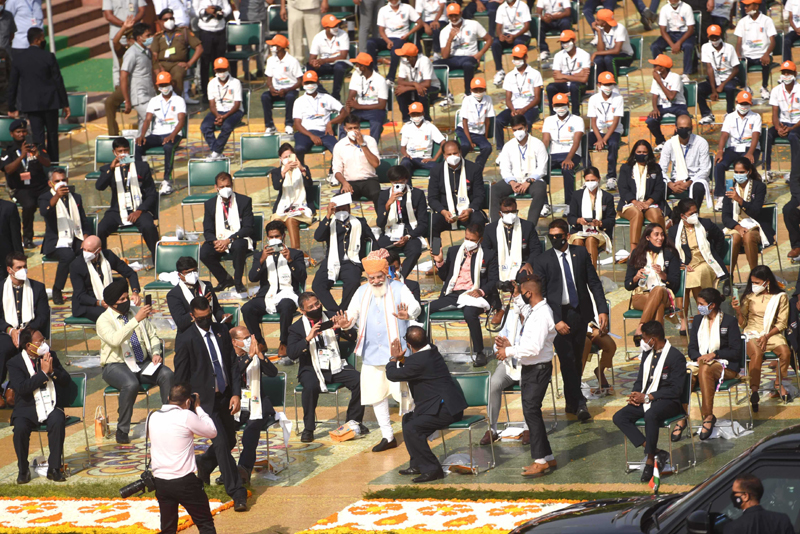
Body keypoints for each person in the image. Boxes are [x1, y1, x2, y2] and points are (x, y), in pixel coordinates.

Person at [336, 249, 421, 451]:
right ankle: (388, 436)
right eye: (371, 278)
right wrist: (345, 323)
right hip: (371, 353)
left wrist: (407, 313)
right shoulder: (361, 291)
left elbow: (416, 308)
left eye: (379, 277)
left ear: (386, 274)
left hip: (397, 352)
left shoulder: (399, 288)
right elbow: (351, 315)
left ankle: (417, 431)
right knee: (376, 395)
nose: (375, 281)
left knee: (407, 395)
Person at [173, 296, 248, 511]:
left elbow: (232, 364)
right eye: (201, 319)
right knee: (222, 444)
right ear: (192, 317)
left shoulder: (222, 331)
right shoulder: (186, 338)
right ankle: (237, 492)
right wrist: (184, 404)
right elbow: (181, 373)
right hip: (203, 401)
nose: (206, 322)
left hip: (225, 395)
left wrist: (236, 394)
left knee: (230, 440)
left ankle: (204, 464)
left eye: (208, 317)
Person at [534, 218, 608, 421]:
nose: (555, 240)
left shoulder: (580, 254)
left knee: (576, 360)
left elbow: (593, 283)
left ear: (567, 236)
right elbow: (542, 295)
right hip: (557, 317)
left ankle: (571, 402)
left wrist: (602, 310)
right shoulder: (543, 260)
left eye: (558, 236)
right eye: (551, 237)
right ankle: (581, 404)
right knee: (566, 360)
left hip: (578, 313)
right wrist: (556, 320)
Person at [495, 274, 558, 477]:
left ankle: (539, 461)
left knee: (531, 412)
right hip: (533, 368)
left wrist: (509, 351)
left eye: (522, 293)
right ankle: (547, 457)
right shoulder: (535, 310)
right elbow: (524, 312)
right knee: (533, 412)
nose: (522, 296)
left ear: (529, 293)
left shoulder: (542, 315)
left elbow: (534, 347)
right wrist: (515, 296)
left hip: (537, 368)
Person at [387, 325, 467, 482]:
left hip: (446, 410)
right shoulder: (432, 351)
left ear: (409, 345)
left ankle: (432, 470)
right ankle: (417, 464)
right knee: (408, 419)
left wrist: (393, 359)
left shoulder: (419, 361)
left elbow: (393, 374)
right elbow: (414, 364)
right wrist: (402, 359)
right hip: (441, 406)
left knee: (413, 428)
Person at [98, 278, 172, 444]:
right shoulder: (103, 320)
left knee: (167, 374)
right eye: (121, 300)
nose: (126, 302)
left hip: (141, 362)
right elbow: (115, 340)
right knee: (130, 384)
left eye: (127, 298)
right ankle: (122, 429)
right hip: (115, 365)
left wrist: (155, 352)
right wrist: (135, 320)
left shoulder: (136, 312)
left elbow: (153, 336)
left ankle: (169, 420)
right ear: (111, 303)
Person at [613, 320, 687, 483]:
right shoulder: (648, 354)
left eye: (644, 338)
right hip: (647, 400)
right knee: (619, 417)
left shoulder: (676, 357)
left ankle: (650, 458)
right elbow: (641, 379)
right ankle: (657, 451)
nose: (643, 342)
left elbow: (676, 390)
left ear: (653, 339)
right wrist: (635, 394)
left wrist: (648, 397)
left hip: (668, 402)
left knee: (651, 414)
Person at [287, 292, 366, 442]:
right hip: (311, 368)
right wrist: (308, 338)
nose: (316, 307)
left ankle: (353, 422)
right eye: (311, 307)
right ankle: (309, 428)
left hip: (335, 364)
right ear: (303, 311)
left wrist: (344, 328)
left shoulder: (332, 316)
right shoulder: (296, 328)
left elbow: (353, 337)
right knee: (309, 386)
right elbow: (291, 353)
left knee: (360, 380)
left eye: (317, 303)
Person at [149, 383, 218, 534]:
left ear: (168, 398)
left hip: (161, 482)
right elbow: (212, 431)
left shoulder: (153, 416)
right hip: (185, 482)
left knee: (168, 529)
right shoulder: (186, 415)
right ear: (188, 402)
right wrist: (199, 408)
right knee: (205, 523)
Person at [8, 327, 70, 483]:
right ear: (29, 346)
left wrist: (52, 371)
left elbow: (66, 380)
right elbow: (22, 388)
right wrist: (43, 374)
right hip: (27, 408)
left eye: (44, 340)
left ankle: (54, 468)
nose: (44, 344)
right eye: (40, 341)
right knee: (20, 428)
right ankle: (23, 470)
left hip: (50, 404)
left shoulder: (51, 356)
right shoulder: (14, 363)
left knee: (57, 419)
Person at [430, 224, 498, 367]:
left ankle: (479, 352)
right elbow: (445, 277)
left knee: (469, 313)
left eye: (472, 239)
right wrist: (440, 262)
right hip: (454, 293)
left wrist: (481, 291)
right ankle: (425, 350)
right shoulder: (455, 251)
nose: (468, 242)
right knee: (425, 309)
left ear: (480, 240)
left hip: (475, 294)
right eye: (466, 238)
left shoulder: (489, 254)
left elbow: (493, 281)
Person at [242, 220, 306, 356]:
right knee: (246, 308)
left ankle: (284, 342)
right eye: (271, 237)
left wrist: (290, 260)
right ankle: (259, 341)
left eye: (277, 236)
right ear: (267, 238)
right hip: (267, 294)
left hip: (287, 292)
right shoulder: (260, 255)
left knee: (286, 306)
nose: (274, 239)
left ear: (283, 236)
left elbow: (302, 277)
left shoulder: (295, 254)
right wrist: (262, 260)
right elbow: (252, 278)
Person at [732, 265, 792, 408]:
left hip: (772, 333)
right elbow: (743, 323)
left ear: (767, 282)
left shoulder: (780, 297)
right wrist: (738, 312)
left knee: (785, 352)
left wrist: (766, 336)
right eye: (752, 282)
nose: (754, 286)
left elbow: (782, 323)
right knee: (757, 353)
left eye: (757, 283)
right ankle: (754, 390)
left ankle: (778, 382)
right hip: (752, 332)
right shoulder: (749, 297)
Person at [686, 288, 742, 440]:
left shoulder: (729, 321)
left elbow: (736, 352)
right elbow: (691, 347)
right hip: (702, 363)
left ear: (711, 305)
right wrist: (698, 357)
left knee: (705, 369)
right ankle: (681, 416)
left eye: (701, 304)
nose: (698, 307)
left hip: (726, 366)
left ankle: (708, 416)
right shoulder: (698, 320)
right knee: (686, 375)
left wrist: (715, 355)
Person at [7, 28, 68, 164]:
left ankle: (42, 164)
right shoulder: (48, 56)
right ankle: (54, 164)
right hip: (50, 103)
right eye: (42, 38)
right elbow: (58, 81)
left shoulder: (19, 58)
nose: (43, 40)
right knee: (52, 135)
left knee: (38, 137)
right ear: (37, 40)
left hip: (31, 105)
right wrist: (65, 103)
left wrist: (11, 106)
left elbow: (13, 84)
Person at [669, 199, 729, 334]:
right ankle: (683, 319)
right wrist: (682, 265)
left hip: (705, 262)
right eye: (691, 213)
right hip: (687, 264)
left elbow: (720, 237)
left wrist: (714, 256)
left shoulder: (705, 224)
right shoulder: (674, 231)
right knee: (682, 278)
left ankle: (699, 316)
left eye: (696, 212)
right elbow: (671, 253)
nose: (695, 215)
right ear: (683, 216)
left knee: (697, 275)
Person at [96, 137, 159, 259]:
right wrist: (111, 169)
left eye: (125, 150)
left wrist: (140, 211)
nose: (123, 153)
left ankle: (157, 258)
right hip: (117, 210)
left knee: (149, 227)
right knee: (100, 229)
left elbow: (152, 194)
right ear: (114, 152)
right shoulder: (107, 169)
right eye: (120, 151)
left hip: (139, 208)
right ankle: (102, 261)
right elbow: (99, 186)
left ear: (130, 150)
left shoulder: (142, 167)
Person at [230, 326, 278, 484]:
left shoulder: (256, 355)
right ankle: (227, 471)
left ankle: (243, 469)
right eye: (245, 338)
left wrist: (259, 355)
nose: (248, 341)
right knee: (225, 436)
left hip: (257, 403)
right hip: (236, 403)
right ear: (234, 342)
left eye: (249, 337)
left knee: (251, 431)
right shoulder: (228, 357)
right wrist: (248, 357)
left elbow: (273, 373)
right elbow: (234, 375)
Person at [482, 196, 541, 323]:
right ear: (500, 213)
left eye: (513, 212)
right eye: (507, 212)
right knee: (487, 277)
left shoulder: (527, 227)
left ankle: (524, 309)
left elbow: (536, 249)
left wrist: (529, 263)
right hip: (497, 265)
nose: (511, 215)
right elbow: (485, 251)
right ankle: (499, 308)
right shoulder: (490, 229)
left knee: (527, 277)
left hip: (521, 265)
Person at [312, 199, 374, 313]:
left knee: (353, 282)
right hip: (331, 261)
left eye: (344, 209)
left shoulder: (360, 222)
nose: (341, 212)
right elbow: (318, 237)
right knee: (317, 285)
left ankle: (343, 310)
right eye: (338, 210)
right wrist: (327, 216)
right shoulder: (329, 223)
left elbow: (372, 240)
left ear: (349, 209)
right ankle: (335, 312)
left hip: (351, 262)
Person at [38, 169, 90, 305]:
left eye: (63, 180)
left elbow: (83, 221)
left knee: (89, 252)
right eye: (57, 181)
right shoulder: (45, 197)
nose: (61, 183)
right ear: (51, 183)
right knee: (68, 256)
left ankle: (85, 290)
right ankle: (57, 289)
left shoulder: (76, 197)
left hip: (75, 237)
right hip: (56, 241)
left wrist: (86, 238)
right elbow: (45, 212)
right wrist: (56, 196)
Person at [482, 293, 527, 445]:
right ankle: (492, 429)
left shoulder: (535, 317)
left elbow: (533, 348)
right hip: (508, 362)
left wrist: (511, 348)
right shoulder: (510, 315)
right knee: (493, 383)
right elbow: (499, 342)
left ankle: (529, 427)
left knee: (527, 384)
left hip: (528, 362)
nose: (514, 303)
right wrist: (499, 346)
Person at [0, 252, 50, 388]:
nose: (23, 270)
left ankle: (13, 387)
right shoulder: (1, 288)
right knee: (3, 348)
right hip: (6, 332)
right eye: (19, 267)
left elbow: (43, 316)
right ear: (9, 270)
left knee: (32, 347)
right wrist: (10, 330)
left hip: (31, 331)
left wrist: (24, 331)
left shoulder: (37, 288)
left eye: (25, 267)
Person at [624, 223, 681, 339]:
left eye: (662, 235)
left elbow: (675, 284)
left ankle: (641, 327)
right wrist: (636, 277)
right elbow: (627, 284)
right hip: (641, 295)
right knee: (658, 306)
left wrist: (662, 274)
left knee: (658, 290)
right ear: (647, 237)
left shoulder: (670, 253)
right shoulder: (637, 254)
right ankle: (657, 343)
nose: (660, 238)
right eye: (656, 235)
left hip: (665, 295)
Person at [490, 115, 549, 226]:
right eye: (515, 130)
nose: (518, 132)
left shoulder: (538, 144)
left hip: (533, 180)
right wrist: (512, 182)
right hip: (515, 180)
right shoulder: (508, 146)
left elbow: (542, 168)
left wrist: (528, 181)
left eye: (520, 129)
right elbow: (505, 168)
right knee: (494, 190)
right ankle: (496, 226)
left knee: (540, 190)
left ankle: (530, 226)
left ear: (526, 127)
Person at [200, 172, 254, 293]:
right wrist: (216, 242)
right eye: (222, 187)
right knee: (204, 252)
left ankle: (238, 281)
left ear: (232, 185)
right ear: (216, 187)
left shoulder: (244, 201)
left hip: (238, 238)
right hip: (219, 239)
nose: (226, 189)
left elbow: (248, 227)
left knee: (238, 246)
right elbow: (207, 229)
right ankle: (224, 279)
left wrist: (229, 240)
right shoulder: (210, 204)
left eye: (228, 186)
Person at [1, 118, 50, 249]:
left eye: (24, 131)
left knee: (52, 201)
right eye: (18, 132)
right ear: (12, 133)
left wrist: (37, 155)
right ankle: (28, 238)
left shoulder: (37, 145)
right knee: (28, 205)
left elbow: (48, 163)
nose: (22, 134)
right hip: (21, 188)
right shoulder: (8, 150)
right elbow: (8, 169)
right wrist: (22, 156)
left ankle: (53, 235)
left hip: (41, 186)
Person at [136, 71, 186, 195]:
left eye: (166, 84)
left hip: (173, 133)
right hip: (157, 134)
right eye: (161, 85)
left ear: (171, 83)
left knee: (168, 147)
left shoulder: (179, 100)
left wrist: (173, 135)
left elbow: (181, 121)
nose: (164, 88)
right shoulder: (154, 100)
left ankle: (167, 181)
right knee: (138, 146)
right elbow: (147, 119)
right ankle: (142, 178)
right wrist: (142, 135)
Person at [70, 235, 141, 322]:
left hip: (109, 300)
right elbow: (80, 295)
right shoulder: (76, 265)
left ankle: (135, 333)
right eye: (84, 249)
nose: (85, 253)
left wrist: (135, 292)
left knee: (131, 311)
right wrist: (99, 302)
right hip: (88, 304)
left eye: (89, 251)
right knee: (113, 315)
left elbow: (130, 273)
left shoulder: (108, 256)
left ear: (98, 250)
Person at [375, 165, 428, 279]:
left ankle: (400, 277)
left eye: (402, 182)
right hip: (390, 231)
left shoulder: (417, 194)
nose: (399, 185)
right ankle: (389, 275)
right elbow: (380, 223)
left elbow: (424, 223)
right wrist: (388, 204)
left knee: (415, 250)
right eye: (395, 182)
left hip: (410, 233)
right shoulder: (384, 195)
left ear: (406, 180)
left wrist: (408, 236)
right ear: (390, 182)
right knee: (379, 249)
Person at [428, 140, 486, 242]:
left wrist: (469, 210)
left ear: (460, 152)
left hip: (468, 211)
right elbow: (432, 198)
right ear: (444, 156)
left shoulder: (474, 169)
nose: (452, 156)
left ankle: (476, 251)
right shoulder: (436, 171)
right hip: (446, 213)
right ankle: (437, 253)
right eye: (449, 154)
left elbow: (480, 195)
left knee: (478, 221)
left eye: (455, 153)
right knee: (431, 223)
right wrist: (443, 211)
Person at [435, 3, 491, 106]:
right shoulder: (444, 31)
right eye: (451, 16)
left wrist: (480, 54)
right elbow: (445, 56)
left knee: (468, 65)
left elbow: (489, 39)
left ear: (460, 13)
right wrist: (450, 39)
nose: (454, 18)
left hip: (470, 57)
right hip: (453, 59)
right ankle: (447, 95)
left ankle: (468, 94)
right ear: (448, 16)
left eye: (456, 15)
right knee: (435, 65)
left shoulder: (473, 24)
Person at [721, 158, 771, 271]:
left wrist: (739, 200)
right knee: (734, 239)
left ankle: (754, 274)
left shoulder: (759, 187)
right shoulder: (730, 188)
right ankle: (729, 277)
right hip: (736, 226)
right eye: (736, 172)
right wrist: (738, 227)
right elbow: (725, 216)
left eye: (742, 172)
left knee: (748, 237)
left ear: (749, 171)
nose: (738, 175)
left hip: (754, 224)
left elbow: (756, 212)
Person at [714, 92, 761, 208]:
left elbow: (756, 135)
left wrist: (750, 152)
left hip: (749, 148)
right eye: (742, 103)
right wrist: (720, 150)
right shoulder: (729, 117)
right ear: (736, 103)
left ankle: (750, 194)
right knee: (719, 165)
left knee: (747, 165)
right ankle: (720, 196)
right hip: (733, 148)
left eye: (746, 104)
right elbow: (724, 135)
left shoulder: (756, 117)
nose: (744, 106)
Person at [617, 141, 667, 250]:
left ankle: (660, 246)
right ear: (634, 153)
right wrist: (635, 202)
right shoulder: (626, 168)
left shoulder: (655, 168)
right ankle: (634, 250)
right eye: (639, 152)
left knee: (656, 215)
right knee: (637, 213)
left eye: (644, 152)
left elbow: (659, 189)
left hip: (650, 203)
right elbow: (623, 189)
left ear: (649, 153)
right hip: (630, 204)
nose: (641, 154)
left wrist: (648, 202)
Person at [494, 45, 543, 152]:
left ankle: (526, 148)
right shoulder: (509, 76)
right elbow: (508, 98)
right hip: (514, 109)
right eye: (515, 58)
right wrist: (512, 110)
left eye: (519, 58)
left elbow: (537, 98)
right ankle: (501, 150)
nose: (517, 61)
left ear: (525, 57)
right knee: (497, 121)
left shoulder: (535, 74)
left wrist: (523, 110)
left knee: (527, 122)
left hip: (530, 109)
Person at [292, 70, 346, 164]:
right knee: (299, 149)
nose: (310, 85)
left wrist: (331, 122)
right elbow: (297, 124)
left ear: (317, 82)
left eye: (312, 82)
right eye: (307, 82)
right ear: (303, 83)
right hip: (305, 133)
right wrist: (312, 136)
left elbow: (344, 112)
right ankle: (303, 173)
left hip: (324, 132)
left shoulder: (326, 97)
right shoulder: (299, 101)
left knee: (338, 151)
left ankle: (333, 173)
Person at [541, 92, 584, 209]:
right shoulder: (549, 120)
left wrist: (569, 158)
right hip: (554, 154)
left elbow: (576, 142)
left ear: (568, 104)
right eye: (557, 105)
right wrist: (541, 158)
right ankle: (544, 204)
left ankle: (569, 204)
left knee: (567, 169)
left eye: (562, 105)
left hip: (571, 153)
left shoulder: (577, 120)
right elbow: (545, 141)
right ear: (552, 106)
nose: (560, 108)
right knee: (540, 170)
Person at [660, 115, 712, 210]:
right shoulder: (670, 144)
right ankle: (670, 216)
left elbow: (705, 169)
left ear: (691, 128)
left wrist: (688, 183)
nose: (683, 130)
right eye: (681, 128)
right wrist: (670, 184)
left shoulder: (701, 143)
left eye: (686, 128)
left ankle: (692, 216)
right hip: (676, 180)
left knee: (698, 188)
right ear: (676, 128)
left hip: (695, 179)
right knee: (658, 187)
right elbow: (661, 169)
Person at [566, 167, 615, 268]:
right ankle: (578, 274)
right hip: (579, 231)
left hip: (599, 232)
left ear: (599, 179)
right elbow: (570, 217)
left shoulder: (607, 197)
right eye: (587, 180)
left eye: (593, 180)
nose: (590, 183)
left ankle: (591, 276)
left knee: (591, 239)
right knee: (578, 242)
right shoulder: (576, 195)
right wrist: (579, 220)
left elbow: (611, 220)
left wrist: (600, 223)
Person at [332, 115, 382, 212]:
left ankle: (382, 223)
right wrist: (344, 183)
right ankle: (343, 225)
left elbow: (376, 164)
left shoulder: (370, 141)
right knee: (338, 199)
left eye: (355, 128)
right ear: (345, 129)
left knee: (378, 195)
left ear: (359, 128)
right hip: (350, 182)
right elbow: (337, 170)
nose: (353, 130)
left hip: (369, 180)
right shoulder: (339, 146)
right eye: (350, 128)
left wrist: (362, 144)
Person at [166, 256, 228, 334]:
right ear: (180, 275)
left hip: (211, 326)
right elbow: (181, 322)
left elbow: (216, 309)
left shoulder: (206, 286)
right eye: (188, 272)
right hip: (191, 332)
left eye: (194, 271)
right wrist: (200, 305)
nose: (192, 274)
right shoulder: (174, 295)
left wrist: (222, 316)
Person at [151, 8, 203, 99]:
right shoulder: (158, 36)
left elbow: (199, 48)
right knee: (158, 77)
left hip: (177, 64)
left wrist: (189, 63)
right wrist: (158, 68)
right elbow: (154, 55)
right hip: (162, 64)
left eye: (171, 18)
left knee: (177, 76)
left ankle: (176, 101)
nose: (169, 21)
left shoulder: (183, 32)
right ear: (160, 22)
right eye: (166, 19)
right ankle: (162, 102)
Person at [270, 142, 314, 249]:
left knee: (291, 219)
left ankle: (296, 253)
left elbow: (309, 184)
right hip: (283, 206)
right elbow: (276, 186)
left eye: (290, 156)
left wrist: (301, 168)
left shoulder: (304, 168)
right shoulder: (276, 172)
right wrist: (284, 172)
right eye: (285, 157)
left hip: (301, 206)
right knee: (276, 223)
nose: (288, 159)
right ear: (281, 159)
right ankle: (278, 252)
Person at [368, 0, 421, 83]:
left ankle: (390, 78)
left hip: (401, 38)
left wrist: (408, 34)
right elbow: (381, 30)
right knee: (370, 43)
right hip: (386, 39)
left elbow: (419, 23)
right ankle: (374, 72)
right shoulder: (383, 10)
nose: (393, 0)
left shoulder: (407, 8)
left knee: (395, 50)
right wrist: (388, 41)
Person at [586, 71, 624, 188]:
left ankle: (611, 177)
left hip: (614, 131)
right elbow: (593, 122)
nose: (608, 87)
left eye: (610, 84)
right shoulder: (593, 99)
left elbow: (615, 122)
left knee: (612, 144)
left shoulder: (618, 98)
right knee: (584, 144)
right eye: (605, 84)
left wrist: (604, 140)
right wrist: (599, 138)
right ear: (599, 85)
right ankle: (589, 175)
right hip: (597, 131)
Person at [201, 57, 243, 160]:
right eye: (219, 70)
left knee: (227, 126)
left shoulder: (235, 82)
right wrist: (218, 116)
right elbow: (211, 104)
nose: (221, 73)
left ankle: (215, 152)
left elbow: (237, 104)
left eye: (223, 70)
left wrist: (224, 117)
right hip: (217, 111)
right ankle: (217, 152)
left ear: (228, 69)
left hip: (234, 111)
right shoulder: (211, 83)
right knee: (205, 126)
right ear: (215, 70)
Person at [698, 25, 740, 127]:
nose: (714, 39)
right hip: (713, 80)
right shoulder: (705, 47)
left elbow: (736, 69)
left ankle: (729, 113)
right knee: (698, 88)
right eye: (712, 37)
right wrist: (714, 90)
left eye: (716, 36)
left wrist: (722, 85)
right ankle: (707, 114)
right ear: (708, 37)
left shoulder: (729, 48)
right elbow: (709, 69)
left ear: (721, 35)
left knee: (729, 88)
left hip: (728, 78)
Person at [724, 474, 795, 534]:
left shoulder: (732, 528)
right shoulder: (781, 520)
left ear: (745, 496)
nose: (732, 496)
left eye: (734, 493)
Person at [119, 23, 156, 136]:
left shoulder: (147, 52)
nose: (150, 38)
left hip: (149, 94)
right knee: (151, 119)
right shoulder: (132, 53)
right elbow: (124, 76)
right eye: (148, 35)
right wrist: (127, 100)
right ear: (139, 38)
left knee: (143, 124)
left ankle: (140, 151)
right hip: (139, 96)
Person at [734, 0, 776, 101]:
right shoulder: (742, 22)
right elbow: (739, 42)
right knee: (738, 65)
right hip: (747, 55)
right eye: (745, 5)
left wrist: (766, 54)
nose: (745, 8)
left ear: (756, 6)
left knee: (765, 62)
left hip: (762, 54)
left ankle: (764, 88)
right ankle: (746, 87)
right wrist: (738, 54)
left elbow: (773, 41)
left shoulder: (767, 20)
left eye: (748, 5)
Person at [647, 55, 689, 151]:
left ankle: (675, 142)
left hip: (678, 105)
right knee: (651, 121)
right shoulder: (656, 78)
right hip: (662, 106)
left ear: (662, 68)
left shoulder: (675, 77)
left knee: (683, 123)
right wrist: (655, 108)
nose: (654, 68)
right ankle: (661, 141)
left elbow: (671, 97)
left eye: (656, 66)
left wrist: (659, 81)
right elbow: (654, 95)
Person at [262, 34, 303, 135]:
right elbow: (269, 79)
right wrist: (271, 88)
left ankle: (289, 124)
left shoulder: (293, 61)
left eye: (273, 45)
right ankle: (270, 126)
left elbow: (300, 81)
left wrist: (287, 90)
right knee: (265, 96)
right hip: (276, 90)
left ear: (279, 47)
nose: (271, 47)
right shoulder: (270, 60)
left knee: (290, 97)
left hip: (290, 90)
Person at [344, 53, 388, 144]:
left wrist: (359, 106)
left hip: (375, 110)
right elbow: (350, 97)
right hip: (359, 111)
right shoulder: (356, 75)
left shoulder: (380, 80)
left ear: (363, 67)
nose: (355, 67)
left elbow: (382, 105)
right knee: (343, 124)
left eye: (357, 65)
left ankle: (372, 149)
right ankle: (345, 149)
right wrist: (347, 115)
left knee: (376, 123)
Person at [767, 61, 800, 181]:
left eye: (789, 72)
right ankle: (767, 171)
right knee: (767, 135)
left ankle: (795, 173)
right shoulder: (776, 90)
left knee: (793, 136)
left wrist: (792, 128)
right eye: (784, 73)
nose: (786, 75)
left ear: (795, 74)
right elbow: (774, 114)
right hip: (783, 123)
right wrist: (777, 128)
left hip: (797, 124)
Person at [102, 0, 146, 88]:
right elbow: (108, 15)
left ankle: (137, 87)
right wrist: (124, 25)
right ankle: (119, 90)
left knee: (139, 61)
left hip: (135, 34)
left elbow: (142, 10)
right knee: (118, 64)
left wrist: (132, 23)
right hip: (117, 35)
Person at [546, 30, 591, 116]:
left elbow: (584, 79)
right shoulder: (558, 55)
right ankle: (553, 114)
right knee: (550, 87)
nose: (565, 44)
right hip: (565, 85)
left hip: (579, 86)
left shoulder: (584, 54)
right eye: (563, 42)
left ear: (574, 41)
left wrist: (563, 76)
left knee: (574, 86)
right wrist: (577, 75)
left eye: (567, 41)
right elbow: (556, 79)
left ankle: (575, 114)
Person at [395, 42, 441, 122]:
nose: (402, 57)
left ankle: (426, 120)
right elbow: (400, 81)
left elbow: (427, 84)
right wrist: (414, 84)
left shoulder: (424, 61)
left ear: (411, 57)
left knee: (422, 92)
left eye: (404, 56)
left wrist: (408, 88)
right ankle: (407, 120)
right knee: (399, 93)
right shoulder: (403, 61)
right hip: (414, 88)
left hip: (432, 88)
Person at [195, 0, 231, 101]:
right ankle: (205, 92)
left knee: (220, 61)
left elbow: (228, 8)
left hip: (220, 30)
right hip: (205, 31)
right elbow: (194, 11)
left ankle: (221, 89)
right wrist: (206, 11)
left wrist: (222, 13)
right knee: (205, 63)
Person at [307, 15, 349, 101]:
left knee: (339, 67)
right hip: (326, 65)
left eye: (337, 25)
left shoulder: (343, 34)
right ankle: (324, 94)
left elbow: (343, 56)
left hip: (342, 63)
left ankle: (336, 95)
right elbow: (312, 58)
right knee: (309, 68)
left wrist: (324, 60)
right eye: (333, 26)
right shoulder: (318, 37)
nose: (336, 28)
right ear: (326, 28)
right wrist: (314, 63)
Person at [651, 0, 696, 81]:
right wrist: (672, 45)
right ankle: (662, 71)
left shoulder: (687, 7)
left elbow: (691, 29)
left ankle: (686, 73)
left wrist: (678, 43)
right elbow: (662, 31)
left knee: (688, 46)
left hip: (685, 33)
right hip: (670, 34)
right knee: (655, 46)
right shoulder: (664, 9)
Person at [490, 0, 531, 86]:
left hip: (522, 34)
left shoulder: (523, 6)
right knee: (495, 43)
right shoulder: (501, 8)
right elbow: (498, 27)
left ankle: (519, 71)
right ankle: (500, 71)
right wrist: (500, 35)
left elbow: (527, 26)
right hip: (507, 34)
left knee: (518, 43)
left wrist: (515, 36)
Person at [106, 17, 135, 137]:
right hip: (126, 87)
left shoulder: (145, 50)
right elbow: (115, 42)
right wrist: (124, 27)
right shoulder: (123, 51)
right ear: (128, 40)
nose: (133, 41)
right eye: (131, 39)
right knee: (109, 102)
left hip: (141, 85)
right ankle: (113, 135)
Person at [456, 77, 494, 171]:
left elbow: (487, 120)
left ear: (485, 90)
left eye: (480, 89)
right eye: (475, 90)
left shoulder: (488, 99)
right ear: (471, 90)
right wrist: (469, 141)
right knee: (465, 145)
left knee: (487, 147)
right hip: (465, 130)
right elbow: (464, 122)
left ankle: (477, 168)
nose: (478, 92)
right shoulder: (467, 100)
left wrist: (485, 137)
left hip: (479, 132)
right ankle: (458, 164)